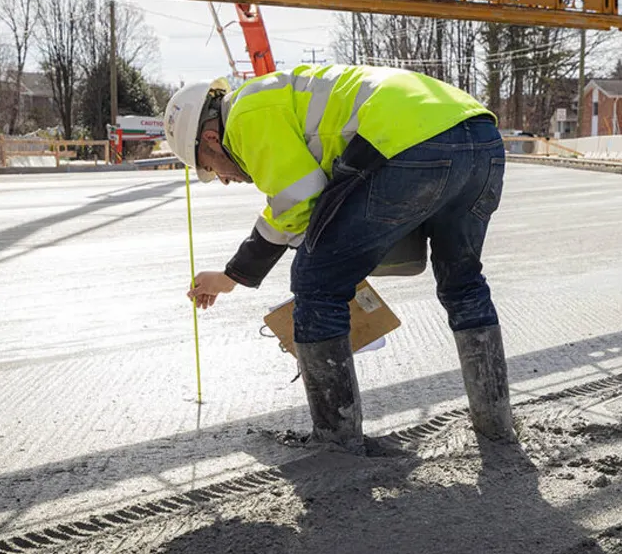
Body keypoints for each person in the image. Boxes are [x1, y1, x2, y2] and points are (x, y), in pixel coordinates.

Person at [163, 65, 515, 451]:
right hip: (479, 135)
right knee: (463, 283)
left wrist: (317, 266)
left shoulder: (246, 115)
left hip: (408, 141)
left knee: (316, 285)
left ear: (212, 138)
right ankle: (495, 425)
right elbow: (294, 202)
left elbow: (300, 202)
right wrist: (232, 276)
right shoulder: (269, 97)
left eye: (211, 167)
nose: (224, 178)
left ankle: (337, 442)